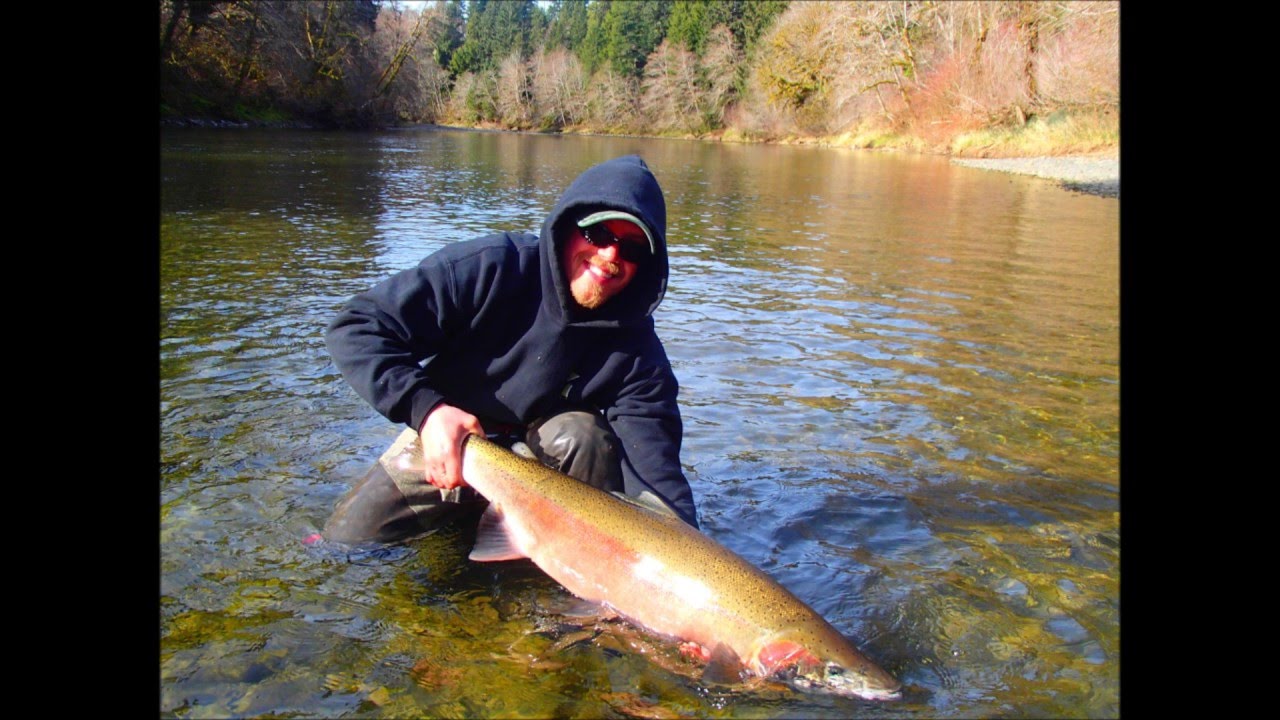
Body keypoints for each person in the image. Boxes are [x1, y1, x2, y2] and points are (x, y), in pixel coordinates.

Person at [321, 154, 698, 544]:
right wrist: (426, 410)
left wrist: (692, 558)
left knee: (583, 436)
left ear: (646, 266)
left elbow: (656, 475)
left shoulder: (638, 353)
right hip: (450, 444)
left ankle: (557, 572)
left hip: (545, 466)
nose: (611, 256)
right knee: (342, 547)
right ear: (567, 228)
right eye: (599, 235)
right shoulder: (491, 269)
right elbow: (357, 325)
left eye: (632, 249)